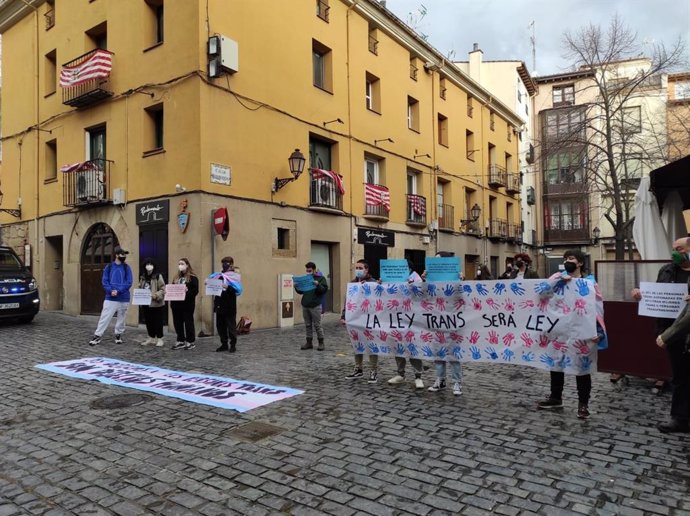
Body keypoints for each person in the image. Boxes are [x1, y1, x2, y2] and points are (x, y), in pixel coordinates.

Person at [537, 249, 605, 419]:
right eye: (565, 258)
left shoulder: (589, 283)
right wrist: (558, 279)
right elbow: (541, 293)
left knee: (582, 368)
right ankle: (555, 397)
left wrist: (598, 331)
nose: (568, 261)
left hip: (580, 332)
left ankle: (583, 403)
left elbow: (597, 307)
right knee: (555, 364)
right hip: (559, 331)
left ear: (580, 262)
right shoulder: (557, 278)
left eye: (571, 258)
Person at [633, 237, 690, 433]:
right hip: (672, 332)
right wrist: (642, 295)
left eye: (680, 249)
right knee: (679, 376)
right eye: (673, 249)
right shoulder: (666, 270)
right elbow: (658, 294)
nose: (675, 252)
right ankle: (680, 418)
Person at [388, 265, 426, 389]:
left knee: (413, 346)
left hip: (412, 318)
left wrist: (412, 286)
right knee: (398, 345)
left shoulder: (417, 279)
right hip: (397, 317)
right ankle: (400, 373)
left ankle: (418, 376)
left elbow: (422, 294)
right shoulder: (394, 279)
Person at [343, 259, 380, 383]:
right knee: (357, 344)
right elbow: (348, 301)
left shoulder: (372, 282)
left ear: (366, 270)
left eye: (360, 268)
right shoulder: (353, 284)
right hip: (355, 319)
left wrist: (371, 287)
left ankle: (373, 371)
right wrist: (344, 316)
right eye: (356, 268)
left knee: (371, 345)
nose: (358, 270)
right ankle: (358, 369)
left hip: (369, 319)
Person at [89, 246, 133, 346]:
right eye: (122, 254)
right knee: (105, 317)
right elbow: (105, 281)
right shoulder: (109, 267)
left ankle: (118, 334)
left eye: (125, 254)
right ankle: (97, 335)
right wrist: (110, 290)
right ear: (116, 255)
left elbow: (129, 282)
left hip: (124, 297)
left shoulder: (127, 268)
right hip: (111, 297)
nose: (124, 256)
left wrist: (118, 291)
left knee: (122, 318)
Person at [208, 256, 243, 353]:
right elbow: (213, 285)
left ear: (231, 264)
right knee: (220, 326)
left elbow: (237, 291)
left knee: (231, 327)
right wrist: (208, 283)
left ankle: (233, 345)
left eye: (226, 263)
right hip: (219, 303)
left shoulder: (234, 276)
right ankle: (224, 344)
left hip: (229, 305)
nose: (224, 265)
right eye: (223, 263)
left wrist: (228, 287)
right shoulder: (219, 275)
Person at [295, 261, 329, 350]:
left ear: (314, 270)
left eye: (309, 270)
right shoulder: (306, 279)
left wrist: (318, 285)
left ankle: (321, 342)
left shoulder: (321, 278)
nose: (308, 272)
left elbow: (323, 290)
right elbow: (301, 291)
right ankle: (309, 342)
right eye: (307, 270)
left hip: (315, 305)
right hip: (305, 304)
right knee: (307, 324)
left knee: (317, 325)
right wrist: (296, 287)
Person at [170, 258, 199, 350]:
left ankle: (190, 341)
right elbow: (172, 288)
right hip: (176, 304)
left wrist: (187, 291)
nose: (180, 265)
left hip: (187, 304)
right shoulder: (176, 278)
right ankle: (180, 340)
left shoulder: (192, 277)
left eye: (182, 264)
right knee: (177, 323)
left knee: (188, 322)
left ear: (187, 265)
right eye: (179, 264)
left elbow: (195, 291)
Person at [139, 258, 166, 347]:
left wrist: (156, 295)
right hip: (146, 303)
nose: (149, 266)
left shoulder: (158, 276)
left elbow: (163, 289)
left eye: (151, 264)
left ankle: (160, 339)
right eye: (147, 264)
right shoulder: (143, 277)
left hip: (156, 303)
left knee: (158, 321)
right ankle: (151, 337)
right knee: (149, 321)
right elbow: (140, 287)